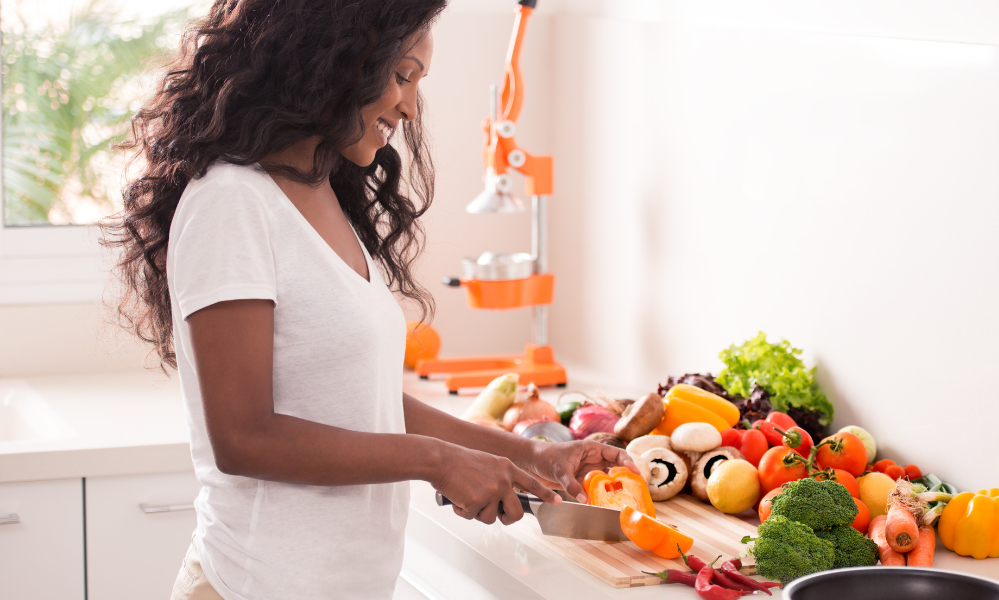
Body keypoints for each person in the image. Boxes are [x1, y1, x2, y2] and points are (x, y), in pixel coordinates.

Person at [102, 1, 637, 599]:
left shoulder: (322, 192)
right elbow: (243, 437)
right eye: (402, 75)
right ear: (332, 56)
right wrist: (436, 461)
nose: (410, 106)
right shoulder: (231, 202)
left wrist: (533, 456)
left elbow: (363, 401)